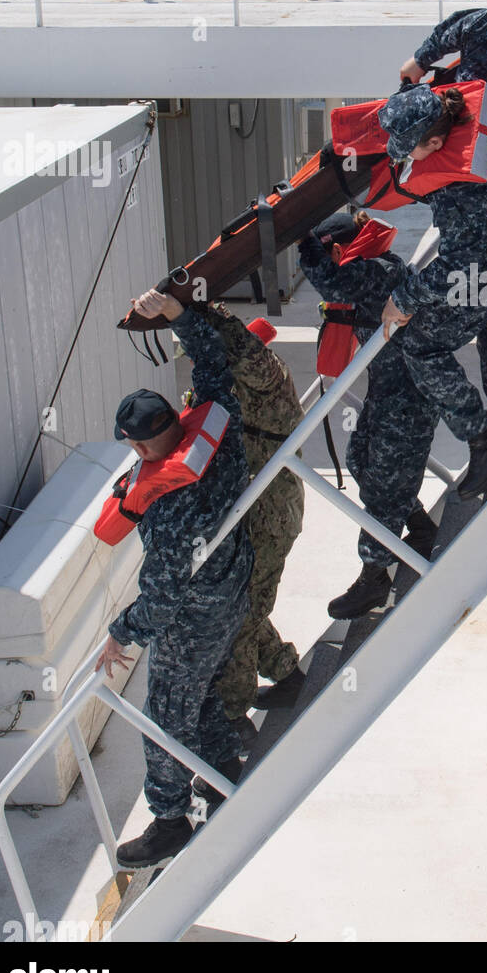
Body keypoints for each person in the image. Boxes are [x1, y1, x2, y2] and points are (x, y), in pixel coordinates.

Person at [95, 292, 254, 869]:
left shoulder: (169, 506)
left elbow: (161, 601)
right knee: (203, 690)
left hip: (194, 619)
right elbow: (213, 368)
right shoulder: (221, 432)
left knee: (164, 714)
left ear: (138, 446)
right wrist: (181, 316)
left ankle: (168, 822)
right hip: (233, 594)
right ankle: (222, 771)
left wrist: (120, 632)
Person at [379, 7, 487, 502]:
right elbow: (479, 22)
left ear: (435, 140)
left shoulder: (457, 186)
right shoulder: (477, 100)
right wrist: (422, 56)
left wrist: (405, 300)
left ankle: (482, 438)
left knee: (419, 344)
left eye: (410, 149)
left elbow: (457, 262)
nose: (405, 157)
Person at [297, 211, 440, 619]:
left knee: (383, 482)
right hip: (390, 390)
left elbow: (331, 280)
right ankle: (420, 525)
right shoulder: (374, 270)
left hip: (410, 396)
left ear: (340, 251)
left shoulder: (375, 271)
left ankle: (373, 578)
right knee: (360, 458)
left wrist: (301, 241)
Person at [195, 305, 305, 723]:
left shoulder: (266, 377)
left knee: (239, 616)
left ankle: (233, 721)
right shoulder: (232, 385)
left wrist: (210, 316)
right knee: (245, 606)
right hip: (249, 512)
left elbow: (246, 355)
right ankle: (288, 676)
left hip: (269, 515)